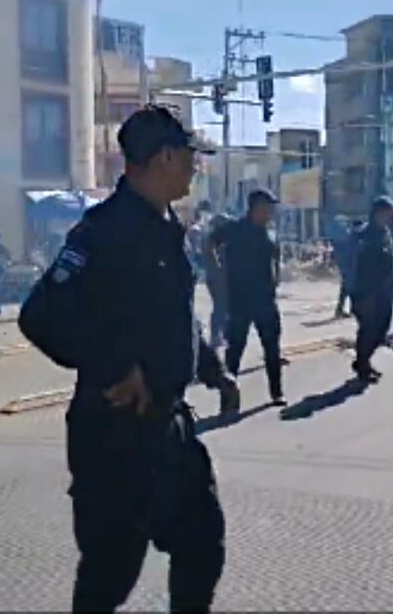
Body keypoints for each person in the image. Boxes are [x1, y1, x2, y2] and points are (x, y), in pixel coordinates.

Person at [58, 105, 240, 612]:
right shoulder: (104, 233)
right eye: (189, 158)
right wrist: (116, 367)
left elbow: (175, 317)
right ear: (162, 159)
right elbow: (44, 316)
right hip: (114, 435)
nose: (194, 168)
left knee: (202, 544)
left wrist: (212, 369)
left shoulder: (166, 230)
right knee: (110, 572)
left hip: (167, 430)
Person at [210, 189, 286, 407]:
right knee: (235, 350)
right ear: (255, 207)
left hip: (265, 299)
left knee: (272, 347)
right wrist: (216, 271)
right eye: (267, 207)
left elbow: (276, 254)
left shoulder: (269, 233)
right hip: (240, 299)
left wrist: (276, 276)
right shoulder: (235, 229)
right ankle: (228, 398)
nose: (271, 212)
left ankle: (277, 392)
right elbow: (210, 243)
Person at [351, 197, 393, 382]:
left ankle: (363, 360)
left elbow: (390, 260)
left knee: (381, 330)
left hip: (383, 291)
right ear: (377, 214)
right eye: (386, 213)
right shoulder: (364, 235)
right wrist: (359, 293)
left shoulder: (385, 233)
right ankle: (362, 365)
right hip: (366, 292)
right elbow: (356, 265)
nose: (389, 216)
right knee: (368, 330)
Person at [202, 214, 232, 348]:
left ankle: (223, 334)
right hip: (218, 279)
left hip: (216, 277)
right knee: (221, 306)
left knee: (223, 307)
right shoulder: (215, 241)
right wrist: (219, 269)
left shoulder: (214, 239)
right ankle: (216, 335)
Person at [333, 220, 363, 318]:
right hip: (352, 269)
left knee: (346, 290)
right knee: (350, 290)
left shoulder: (349, 236)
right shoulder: (354, 237)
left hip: (348, 269)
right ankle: (348, 309)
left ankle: (342, 310)